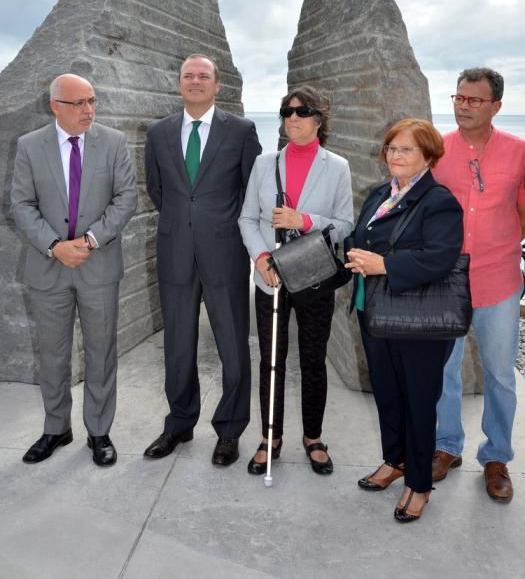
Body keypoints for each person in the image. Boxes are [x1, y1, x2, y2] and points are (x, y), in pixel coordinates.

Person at [11, 73, 137, 467]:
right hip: (48, 268)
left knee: (101, 352)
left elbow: (126, 197)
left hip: (97, 265)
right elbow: (21, 205)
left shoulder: (113, 142)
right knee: (52, 354)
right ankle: (55, 428)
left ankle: (99, 431)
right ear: (55, 106)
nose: (89, 110)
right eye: (79, 103)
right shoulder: (30, 146)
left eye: (92, 101)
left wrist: (89, 241)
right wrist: (54, 246)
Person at [144, 54, 261, 466]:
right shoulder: (158, 132)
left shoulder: (242, 131)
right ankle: (179, 423)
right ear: (179, 83)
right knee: (177, 344)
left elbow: (253, 193)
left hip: (225, 252)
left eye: (203, 76)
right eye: (188, 75)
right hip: (175, 250)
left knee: (232, 344)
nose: (195, 81)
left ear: (217, 86)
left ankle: (230, 430)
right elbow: (157, 189)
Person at [346, 118, 463, 522]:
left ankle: (419, 482)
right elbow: (362, 237)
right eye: (392, 148)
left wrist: (384, 264)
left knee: (417, 400)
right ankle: (393, 460)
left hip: (419, 319)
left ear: (429, 156)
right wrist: (352, 252)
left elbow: (441, 256)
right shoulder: (381, 193)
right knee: (388, 393)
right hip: (374, 310)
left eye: (407, 149)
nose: (396, 155)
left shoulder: (439, 200)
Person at [239, 86, 353, 476]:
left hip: (313, 275)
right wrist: (261, 256)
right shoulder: (264, 163)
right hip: (270, 275)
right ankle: (270, 437)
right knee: (271, 360)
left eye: (301, 112)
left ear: (319, 119)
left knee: (312, 359)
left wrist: (303, 221)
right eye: (286, 112)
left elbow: (345, 225)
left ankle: (313, 437)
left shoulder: (336, 166)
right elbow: (247, 219)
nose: (292, 119)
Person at [431, 67, 525, 503]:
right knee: (443, 369)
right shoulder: (436, 150)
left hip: (500, 280)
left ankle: (497, 456)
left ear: (496, 106)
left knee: (502, 376)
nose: (463, 106)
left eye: (474, 100)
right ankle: (446, 446)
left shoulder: (519, 153)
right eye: (459, 98)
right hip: (446, 282)